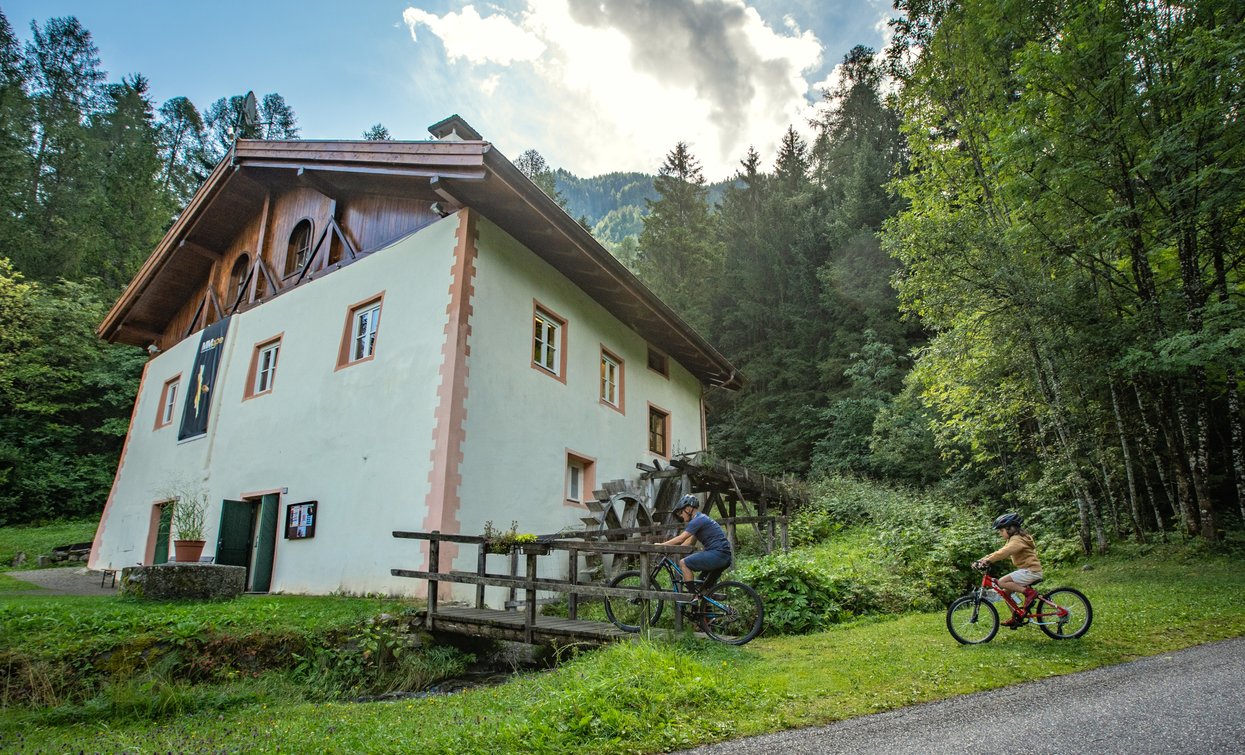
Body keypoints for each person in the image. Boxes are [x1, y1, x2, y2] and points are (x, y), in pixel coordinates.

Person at [972, 512, 1043, 627]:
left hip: (1031, 571)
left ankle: (1029, 593)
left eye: (1001, 530)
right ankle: (1016, 617)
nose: (1000, 533)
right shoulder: (1015, 539)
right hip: (1028, 571)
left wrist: (988, 561)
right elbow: (999, 551)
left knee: (1002, 582)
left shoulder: (1017, 540)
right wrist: (982, 559)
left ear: (1010, 528)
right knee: (1006, 593)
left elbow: (1004, 553)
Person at [659, 494, 733, 593]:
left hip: (718, 554)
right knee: (702, 587)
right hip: (724, 556)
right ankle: (704, 606)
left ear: (689, 509)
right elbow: (688, 543)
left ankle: (692, 597)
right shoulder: (701, 519)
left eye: (681, 512)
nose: (681, 516)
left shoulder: (697, 520)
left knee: (683, 563)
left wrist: (660, 546)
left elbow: (681, 539)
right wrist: (672, 550)